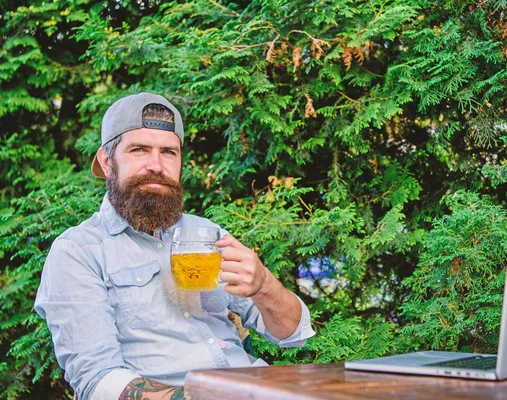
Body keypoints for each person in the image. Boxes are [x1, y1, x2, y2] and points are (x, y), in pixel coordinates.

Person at [34, 92, 315, 400]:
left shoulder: (209, 234)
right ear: (107, 161)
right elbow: (98, 380)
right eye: (139, 149)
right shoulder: (79, 251)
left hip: (257, 389)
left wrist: (263, 285)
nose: (156, 165)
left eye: (169, 152)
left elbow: (292, 335)